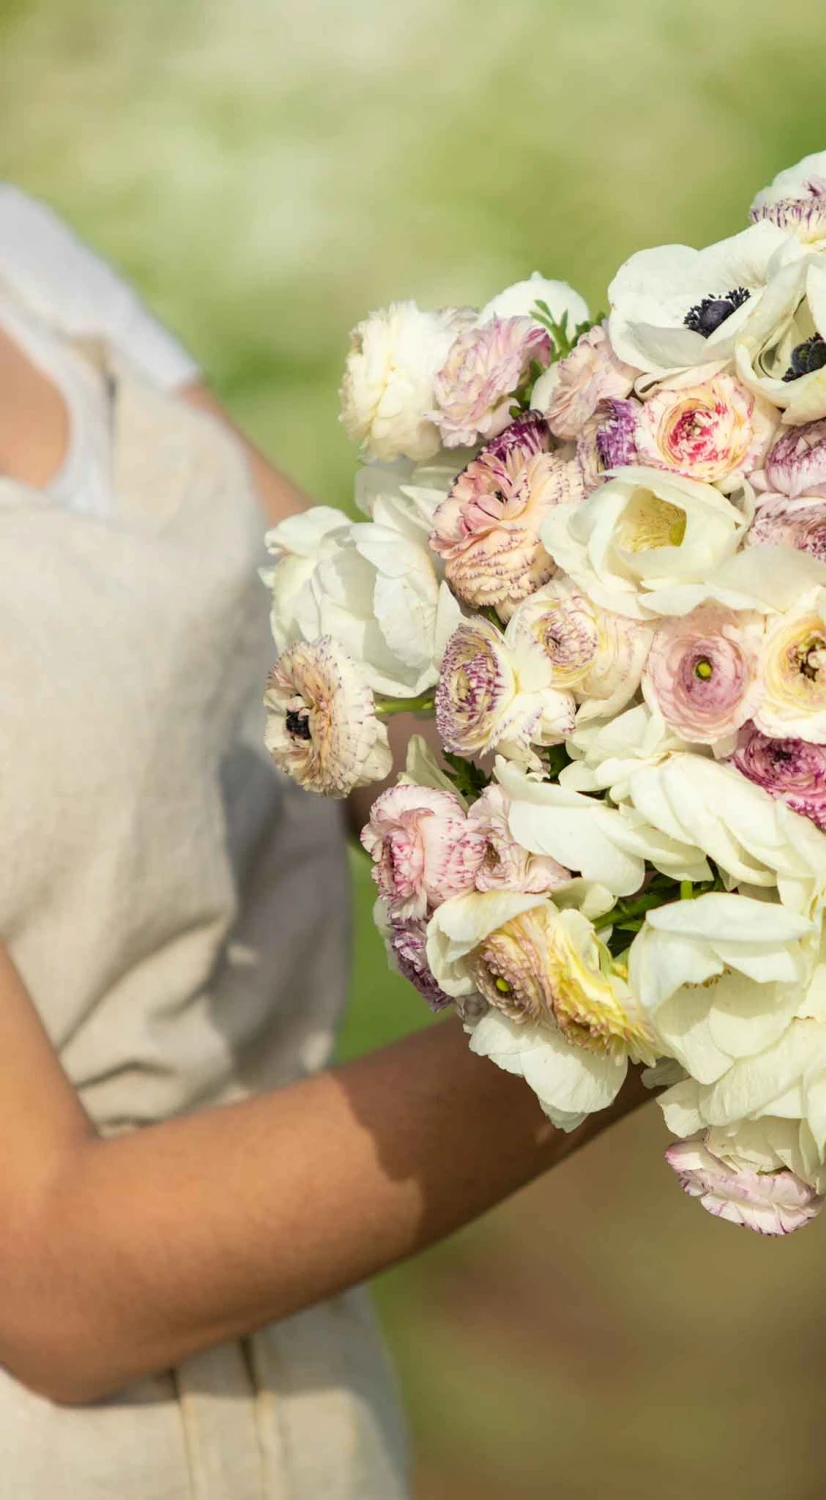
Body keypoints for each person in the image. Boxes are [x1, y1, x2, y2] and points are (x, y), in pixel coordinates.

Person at [0, 183, 643, 1499]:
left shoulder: (23, 252)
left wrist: (737, 719)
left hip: (308, 1404)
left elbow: (353, 679)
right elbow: (51, 1276)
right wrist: (655, 1001)